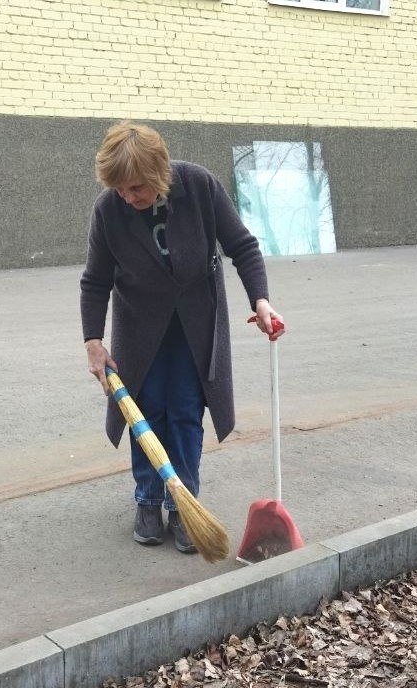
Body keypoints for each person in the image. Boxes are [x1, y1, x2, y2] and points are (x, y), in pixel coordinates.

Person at [80, 121, 285, 555]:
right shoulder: (108, 210)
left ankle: (183, 504)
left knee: (187, 412)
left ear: (158, 173)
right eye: (119, 189)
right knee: (145, 410)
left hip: (195, 324)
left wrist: (261, 301)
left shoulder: (198, 186)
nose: (127, 197)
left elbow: (242, 246)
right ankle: (147, 500)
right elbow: (95, 281)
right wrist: (93, 342)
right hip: (140, 328)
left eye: (136, 188)